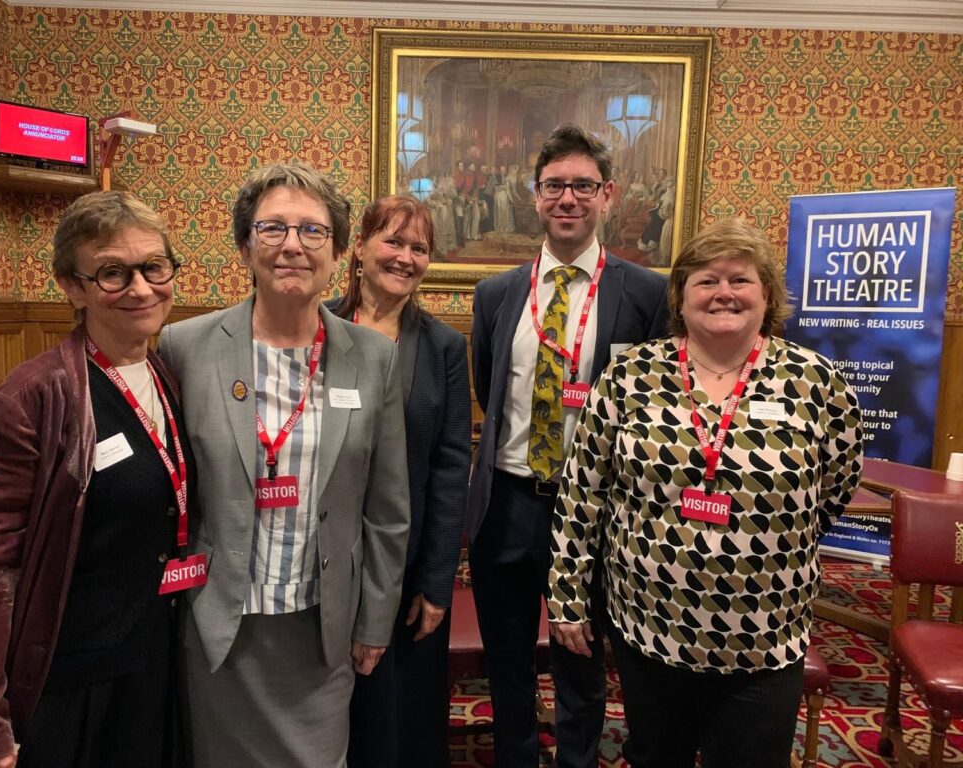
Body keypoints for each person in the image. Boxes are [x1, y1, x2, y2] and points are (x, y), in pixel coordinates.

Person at [548, 217, 863, 768]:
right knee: (655, 755)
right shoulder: (630, 375)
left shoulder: (816, 381)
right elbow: (584, 491)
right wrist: (568, 596)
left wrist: (766, 542)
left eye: (739, 280)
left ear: (767, 293)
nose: (723, 293)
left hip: (764, 632)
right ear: (681, 295)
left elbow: (835, 485)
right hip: (650, 624)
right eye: (706, 280)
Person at [156, 164, 410, 768]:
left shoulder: (372, 357)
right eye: (272, 228)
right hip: (219, 624)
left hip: (321, 626)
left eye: (312, 231)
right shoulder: (184, 346)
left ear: (338, 250)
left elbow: (389, 508)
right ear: (246, 246)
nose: (292, 245)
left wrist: (375, 619)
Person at [0, 191, 195, 768]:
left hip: (156, 663)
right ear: (72, 286)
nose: (141, 287)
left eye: (154, 266)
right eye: (112, 272)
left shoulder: (165, 375)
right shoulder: (31, 399)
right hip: (74, 681)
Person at [466, 124, 669, 768]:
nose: (568, 199)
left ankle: (578, 760)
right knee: (507, 656)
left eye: (583, 186)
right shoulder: (497, 294)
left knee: (582, 656)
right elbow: (487, 384)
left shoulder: (645, 293)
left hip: (598, 510)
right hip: (510, 500)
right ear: (535, 195)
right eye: (555, 186)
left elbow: (656, 400)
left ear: (607, 195)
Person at [329, 195, 472, 768]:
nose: (406, 257)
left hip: (408, 565)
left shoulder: (443, 348)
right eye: (393, 240)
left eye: (420, 248)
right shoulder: (316, 331)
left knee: (399, 714)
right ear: (359, 248)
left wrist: (438, 579)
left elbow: (449, 467)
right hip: (328, 558)